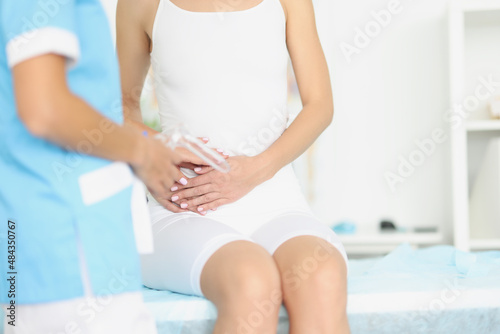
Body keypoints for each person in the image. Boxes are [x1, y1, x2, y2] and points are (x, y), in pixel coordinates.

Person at [117, 0, 350, 332]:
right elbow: (119, 109)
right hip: (184, 207)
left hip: (276, 203)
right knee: (251, 279)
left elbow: (320, 105)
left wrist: (255, 171)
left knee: (321, 275)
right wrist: (154, 149)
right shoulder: (140, 4)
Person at [0, 0, 203, 332]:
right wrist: (143, 153)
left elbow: (78, 107)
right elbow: (44, 108)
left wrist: (153, 145)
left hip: (43, 246)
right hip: (69, 248)